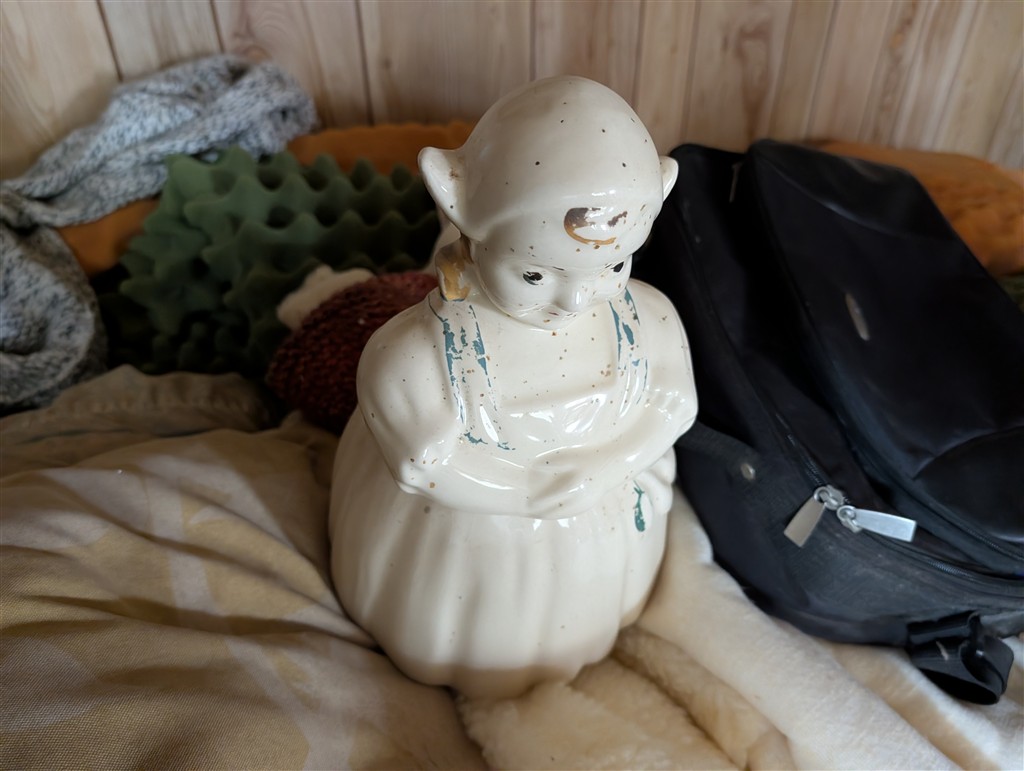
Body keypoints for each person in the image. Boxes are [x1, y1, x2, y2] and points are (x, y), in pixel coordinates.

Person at [329, 76, 697, 698]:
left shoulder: (648, 319)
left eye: (613, 265)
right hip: (462, 546)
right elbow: (423, 465)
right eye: (533, 273)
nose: (576, 299)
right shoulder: (417, 353)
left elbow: (672, 405)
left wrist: (605, 466)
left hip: (599, 539)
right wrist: (532, 494)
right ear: (466, 226)